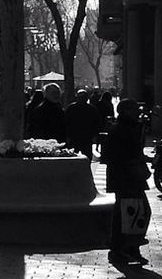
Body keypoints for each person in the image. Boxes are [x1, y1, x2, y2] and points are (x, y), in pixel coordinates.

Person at [101, 97, 151, 266]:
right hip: (125, 178)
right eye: (133, 109)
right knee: (128, 213)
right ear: (124, 112)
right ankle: (120, 249)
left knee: (136, 212)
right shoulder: (120, 130)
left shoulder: (131, 128)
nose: (137, 112)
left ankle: (130, 247)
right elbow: (115, 156)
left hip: (130, 177)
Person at [64, 88, 103, 158]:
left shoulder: (71, 108)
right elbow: (97, 123)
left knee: (73, 156)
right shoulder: (91, 109)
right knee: (86, 156)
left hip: (77, 136)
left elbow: (65, 122)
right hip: (84, 136)